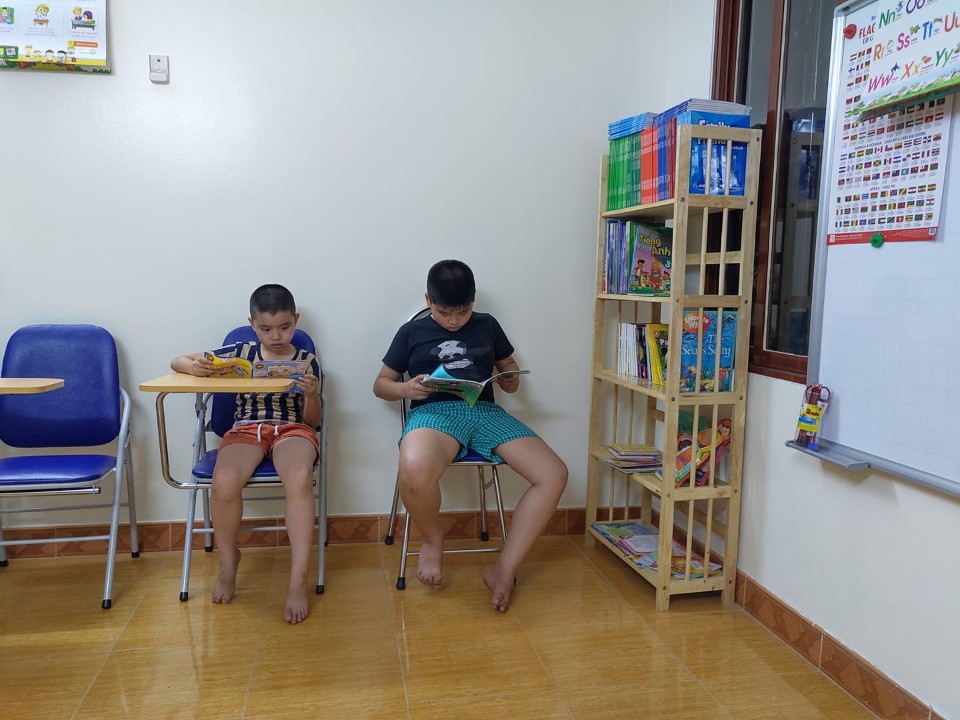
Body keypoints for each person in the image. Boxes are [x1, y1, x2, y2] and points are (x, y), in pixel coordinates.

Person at [373, 260, 567, 612]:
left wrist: (510, 379)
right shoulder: (411, 331)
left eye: (462, 312)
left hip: (484, 411)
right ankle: (433, 541)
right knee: (413, 467)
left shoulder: (487, 324)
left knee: (553, 474)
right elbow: (381, 384)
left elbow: (508, 366)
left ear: (473, 300)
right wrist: (405, 389)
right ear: (428, 299)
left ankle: (504, 569)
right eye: (444, 313)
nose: (454, 321)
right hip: (434, 414)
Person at [171, 284, 322, 624]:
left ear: (295, 320)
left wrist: (312, 395)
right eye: (266, 328)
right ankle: (228, 562)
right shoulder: (240, 352)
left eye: (284, 327)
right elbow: (177, 360)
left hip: (292, 429)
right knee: (224, 482)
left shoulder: (306, 360)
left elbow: (314, 422)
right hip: (246, 428)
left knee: (299, 479)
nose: (276, 336)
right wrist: (195, 368)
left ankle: (298, 579)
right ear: (252, 324)